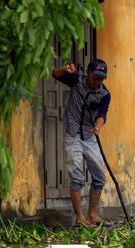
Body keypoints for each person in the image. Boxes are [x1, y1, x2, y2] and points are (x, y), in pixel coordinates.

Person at [52, 59, 111, 226]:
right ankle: (80, 218)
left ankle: (93, 215)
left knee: (99, 178)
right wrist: (64, 68)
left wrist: (98, 126)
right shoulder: (76, 81)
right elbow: (54, 74)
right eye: (94, 78)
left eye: (101, 79)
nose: (97, 82)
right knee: (77, 178)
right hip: (73, 135)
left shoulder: (105, 94)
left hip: (90, 136)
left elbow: (102, 114)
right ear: (88, 74)